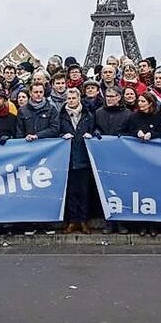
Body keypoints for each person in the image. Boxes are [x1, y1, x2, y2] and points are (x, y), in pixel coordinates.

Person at [59, 87, 95, 234]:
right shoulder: (61, 116)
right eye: (69, 98)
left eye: (74, 98)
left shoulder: (88, 115)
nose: (71, 101)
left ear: (79, 99)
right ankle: (72, 221)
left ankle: (83, 220)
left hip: (84, 157)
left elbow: (94, 129)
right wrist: (62, 135)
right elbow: (57, 130)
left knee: (84, 191)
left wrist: (92, 134)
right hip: (68, 158)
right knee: (71, 192)